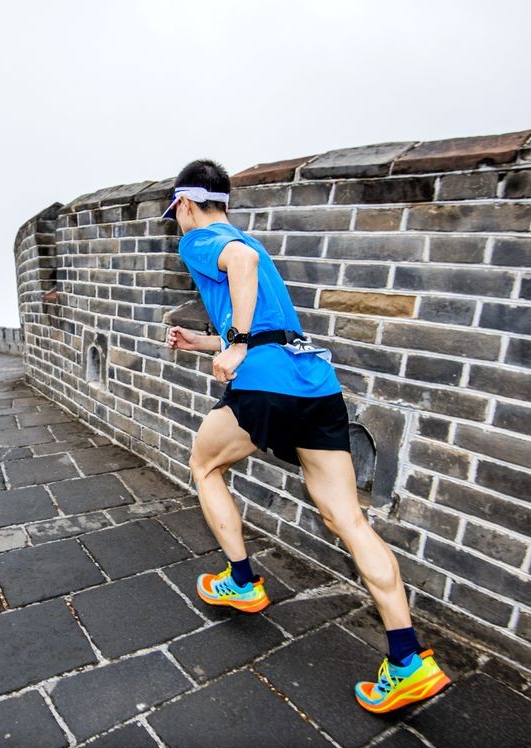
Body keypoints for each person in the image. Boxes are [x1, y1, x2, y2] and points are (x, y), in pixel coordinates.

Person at [163, 159, 450, 714]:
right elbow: (264, 319)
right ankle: (408, 660)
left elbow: (240, 269)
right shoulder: (249, 241)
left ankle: (241, 581)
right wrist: (206, 343)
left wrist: (236, 345)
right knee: (349, 520)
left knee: (205, 466)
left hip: (265, 382)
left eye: (177, 212)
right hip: (314, 382)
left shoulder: (202, 240)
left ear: (187, 204)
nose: (177, 220)